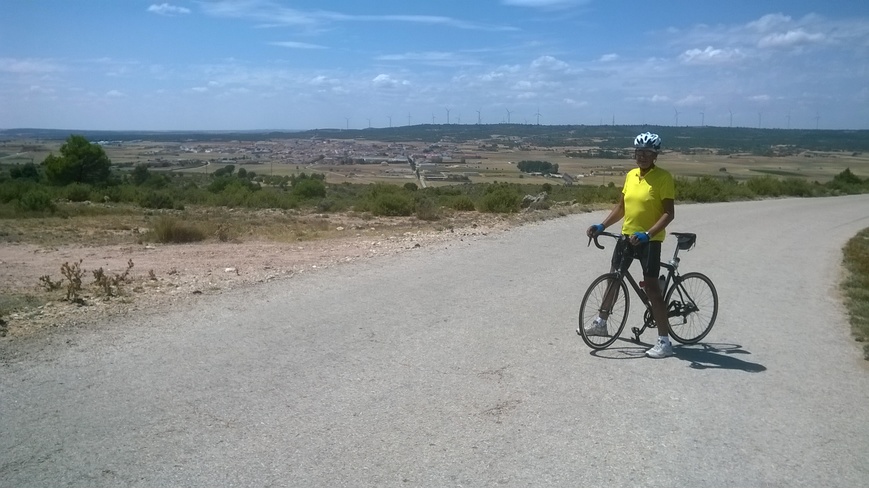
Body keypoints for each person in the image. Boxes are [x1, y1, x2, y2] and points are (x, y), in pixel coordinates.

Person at [580, 132, 676, 358]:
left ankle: (665, 342)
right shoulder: (631, 175)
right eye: (638, 152)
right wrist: (602, 226)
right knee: (614, 278)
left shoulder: (663, 178)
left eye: (647, 153)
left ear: (655, 156)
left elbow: (668, 214)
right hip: (627, 237)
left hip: (649, 240)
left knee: (652, 289)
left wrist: (648, 233)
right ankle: (601, 323)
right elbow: (621, 208)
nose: (642, 156)